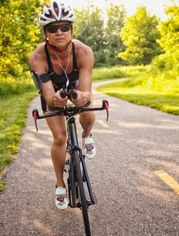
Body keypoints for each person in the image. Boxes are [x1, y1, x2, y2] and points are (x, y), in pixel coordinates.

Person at [29, 0, 96, 210]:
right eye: (52, 28)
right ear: (45, 33)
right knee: (59, 138)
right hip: (52, 90)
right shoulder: (37, 57)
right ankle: (59, 185)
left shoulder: (84, 52)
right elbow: (49, 97)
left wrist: (79, 97)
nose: (59, 32)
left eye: (64, 27)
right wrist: (56, 99)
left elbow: (85, 93)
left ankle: (86, 136)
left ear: (71, 29)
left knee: (86, 109)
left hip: (76, 85)